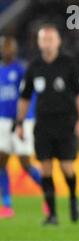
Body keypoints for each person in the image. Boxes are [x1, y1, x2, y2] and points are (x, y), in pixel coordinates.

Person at [16, 24, 79, 225]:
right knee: (46, 169)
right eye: (44, 40)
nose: (47, 43)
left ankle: (73, 199)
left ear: (58, 41)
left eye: (51, 39)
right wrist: (20, 123)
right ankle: (52, 214)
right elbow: (24, 97)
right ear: (39, 42)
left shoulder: (69, 64)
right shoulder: (34, 66)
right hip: (43, 125)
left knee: (67, 168)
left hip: (65, 123)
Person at [0, 36, 42, 219]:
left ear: (15, 50)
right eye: (4, 47)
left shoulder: (21, 70)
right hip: (3, 121)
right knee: (1, 162)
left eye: (10, 47)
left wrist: (23, 121)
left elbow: (28, 96)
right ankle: (7, 204)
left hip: (21, 121)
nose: (7, 50)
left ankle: (49, 193)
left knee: (25, 164)